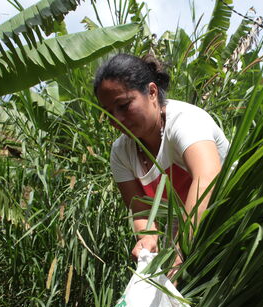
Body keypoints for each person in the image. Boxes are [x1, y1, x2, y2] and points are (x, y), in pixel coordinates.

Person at [94, 53, 229, 265]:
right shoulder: (121, 151)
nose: (116, 119)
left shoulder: (185, 121)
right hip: (185, 239)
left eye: (124, 105)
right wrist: (148, 237)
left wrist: (179, 253)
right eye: (108, 112)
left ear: (152, 92)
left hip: (228, 222)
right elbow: (139, 209)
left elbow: (207, 178)